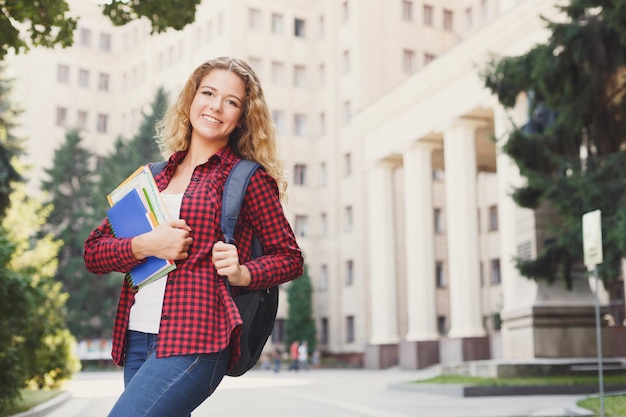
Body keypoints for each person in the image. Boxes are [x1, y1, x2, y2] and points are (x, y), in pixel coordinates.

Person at [84, 56, 304, 417]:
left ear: (242, 117)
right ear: (191, 99)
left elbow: (289, 257)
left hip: (198, 338)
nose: (216, 106)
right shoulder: (151, 178)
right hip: (138, 334)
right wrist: (147, 244)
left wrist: (243, 272)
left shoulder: (247, 179)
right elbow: (94, 252)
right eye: (208, 93)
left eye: (231, 101)